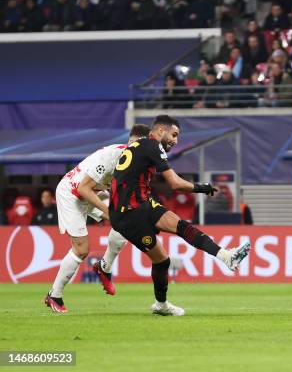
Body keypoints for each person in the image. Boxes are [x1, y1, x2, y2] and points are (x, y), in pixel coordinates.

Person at [108, 115, 250, 316]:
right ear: (159, 131)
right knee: (170, 245)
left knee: (172, 243)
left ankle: (225, 257)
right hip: (131, 212)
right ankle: (224, 259)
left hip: (133, 208)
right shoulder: (152, 145)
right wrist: (202, 187)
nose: (175, 140)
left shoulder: (138, 147)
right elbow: (174, 183)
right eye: (173, 135)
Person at [44, 124, 152, 314]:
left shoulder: (140, 162)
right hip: (72, 192)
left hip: (94, 191)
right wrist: (108, 211)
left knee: (126, 220)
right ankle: (55, 294)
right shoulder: (111, 156)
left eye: (138, 145)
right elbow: (83, 188)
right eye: (132, 143)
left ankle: (105, 267)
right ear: (129, 141)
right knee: (81, 250)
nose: (134, 148)